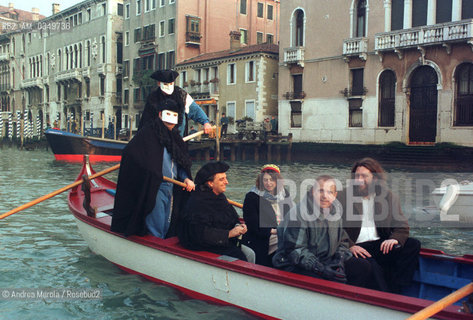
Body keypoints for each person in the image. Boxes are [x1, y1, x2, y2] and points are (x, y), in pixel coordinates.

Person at [111, 99, 195, 237]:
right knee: (156, 224)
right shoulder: (148, 134)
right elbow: (129, 153)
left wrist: (186, 178)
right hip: (155, 185)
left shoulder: (175, 138)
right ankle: (155, 246)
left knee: (168, 223)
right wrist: (151, 171)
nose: (171, 121)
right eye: (168, 115)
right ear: (160, 115)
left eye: (175, 116)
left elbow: (181, 163)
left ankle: (163, 244)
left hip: (173, 186)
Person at [272, 175, 373, 287]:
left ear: (335, 196)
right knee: (322, 281)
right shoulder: (298, 214)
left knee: (363, 266)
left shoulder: (335, 214)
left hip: (325, 260)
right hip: (293, 264)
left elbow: (342, 242)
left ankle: (349, 298)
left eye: (330, 192)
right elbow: (295, 250)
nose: (325, 196)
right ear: (312, 192)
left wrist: (338, 262)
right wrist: (320, 269)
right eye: (320, 191)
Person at [338, 157, 421, 293]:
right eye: (356, 176)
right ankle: (385, 296)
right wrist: (350, 246)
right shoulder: (342, 196)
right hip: (357, 246)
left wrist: (394, 238)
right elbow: (333, 227)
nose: (358, 180)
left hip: (380, 244)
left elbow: (402, 225)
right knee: (371, 265)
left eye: (364, 176)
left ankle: (399, 287)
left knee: (413, 245)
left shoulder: (388, 196)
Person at [178, 162, 255, 262]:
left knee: (251, 253)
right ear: (210, 183)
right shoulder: (198, 203)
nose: (226, 182)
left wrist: (238, 225)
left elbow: (232, 217)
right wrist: (228, 234)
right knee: (241, 258)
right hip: (203, 246)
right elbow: (199, 234)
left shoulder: (220, 197)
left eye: (226, 178)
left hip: (220, 243)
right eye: (221, 179)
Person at [242, 164, 294, 267]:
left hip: (281, 234)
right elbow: (253, 225)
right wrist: (276, 231)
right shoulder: (252, 197)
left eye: (272, 180)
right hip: (263, 238)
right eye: (265, 180)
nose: (268, 183)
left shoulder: (284, 194)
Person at [138, 69, 212, 136]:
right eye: (166, 84)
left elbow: (195, 110)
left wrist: (205, 122)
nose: (168, 87)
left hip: (178, 139)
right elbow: (146, 120)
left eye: (170, 84)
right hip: (157, 140)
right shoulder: (153, 98)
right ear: (159, 83)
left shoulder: (181, 95)